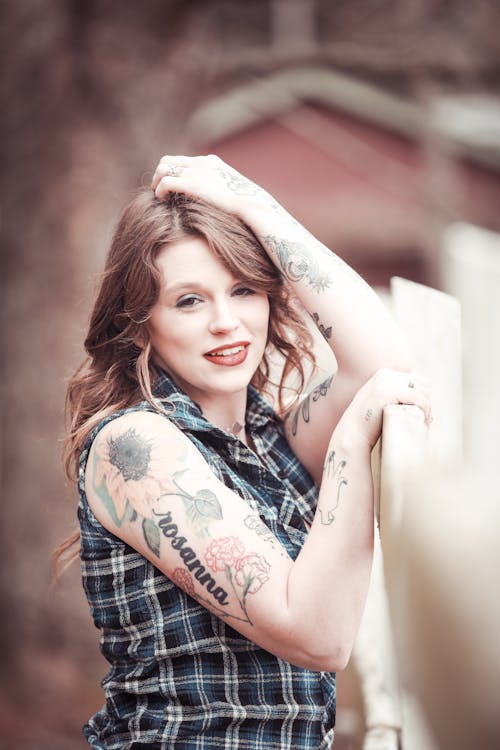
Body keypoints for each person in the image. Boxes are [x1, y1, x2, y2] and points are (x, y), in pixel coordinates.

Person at [60, 154, 431, 750]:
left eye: (243, 289)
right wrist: (350, 443)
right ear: (139, 324)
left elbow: (384, 361)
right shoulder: (134, 447)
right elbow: (319, 638)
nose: (227, 323)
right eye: (189, 301)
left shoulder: (266, 439)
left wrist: (254, 204)